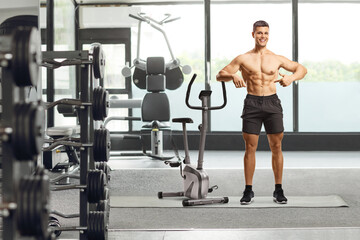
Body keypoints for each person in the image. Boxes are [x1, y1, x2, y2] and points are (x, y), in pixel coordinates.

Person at [216, 20, 307, 205]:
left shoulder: (277, 58)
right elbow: (220, 74)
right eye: (259, 33)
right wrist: (233, 75)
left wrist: (291, 77)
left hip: (272, 103)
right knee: (250, 147)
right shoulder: (243, 58)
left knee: (276, 147)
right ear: (253, 34)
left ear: (269, 35)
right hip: (252, 103)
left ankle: (278, 189)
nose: (262, 36)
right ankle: (248, 190)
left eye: (265, 33)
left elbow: (302, 69)